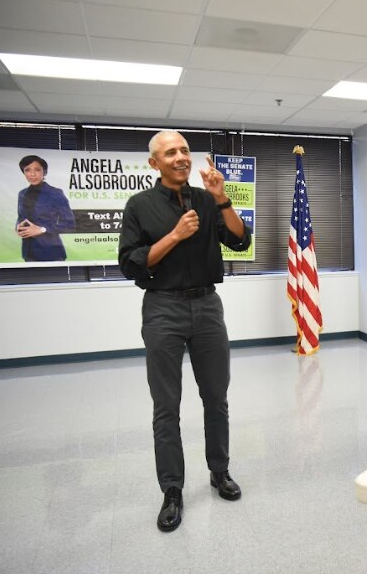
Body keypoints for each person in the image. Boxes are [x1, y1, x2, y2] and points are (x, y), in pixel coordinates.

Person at [118, 130, 251, 533]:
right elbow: (131, 263)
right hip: (163, 308)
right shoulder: (139, 205)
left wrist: (221, 197)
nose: (180, 157)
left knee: (217, 397)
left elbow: (241, 241)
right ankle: (172, 490)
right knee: (166, 407)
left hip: (208, 306)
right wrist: (175, 235)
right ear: (154, 163)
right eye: (170, 152)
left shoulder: (206, 200)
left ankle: (219, 471)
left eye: (185, 150)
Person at [15, 155, 75, 261]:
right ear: (23, 173)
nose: (32, 174)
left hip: (51, 252)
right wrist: (18, 227)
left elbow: (69, 224)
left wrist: (42, 229)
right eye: (27, 170)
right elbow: (20, 217)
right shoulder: (22, 194)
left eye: (37, 170)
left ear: (44, 172)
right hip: (28, 251)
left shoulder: (55, 193)